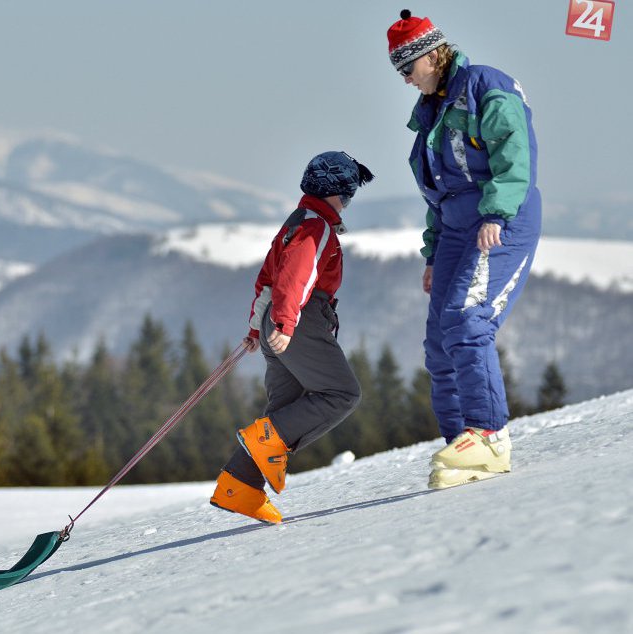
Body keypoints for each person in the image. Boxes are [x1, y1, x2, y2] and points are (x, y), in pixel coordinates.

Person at [387, 10, 542, 489]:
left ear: (432, 56)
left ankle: (489, 436)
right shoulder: (430, 113)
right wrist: (433, 254)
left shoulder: (482, 87)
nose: (405, 80)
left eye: (407, 68)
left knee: (466, 319)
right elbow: (439, 193)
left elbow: (515, 155)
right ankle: (461, 443)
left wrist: (496, 213)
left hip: (500, 221)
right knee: (438, 344)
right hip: (455, 230)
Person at [209, 151, 372, 524]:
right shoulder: (318, 226)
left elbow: (268, 277)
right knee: (341, 393)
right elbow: (296, 275)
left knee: (284, 413)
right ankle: (249, 470)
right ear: (339, 192)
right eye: (349, 193)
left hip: (277, 323)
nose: (348, 202)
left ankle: (239, 487)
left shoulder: (296, 222)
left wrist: (258, 328)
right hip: (298, 321)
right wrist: (284, 323)